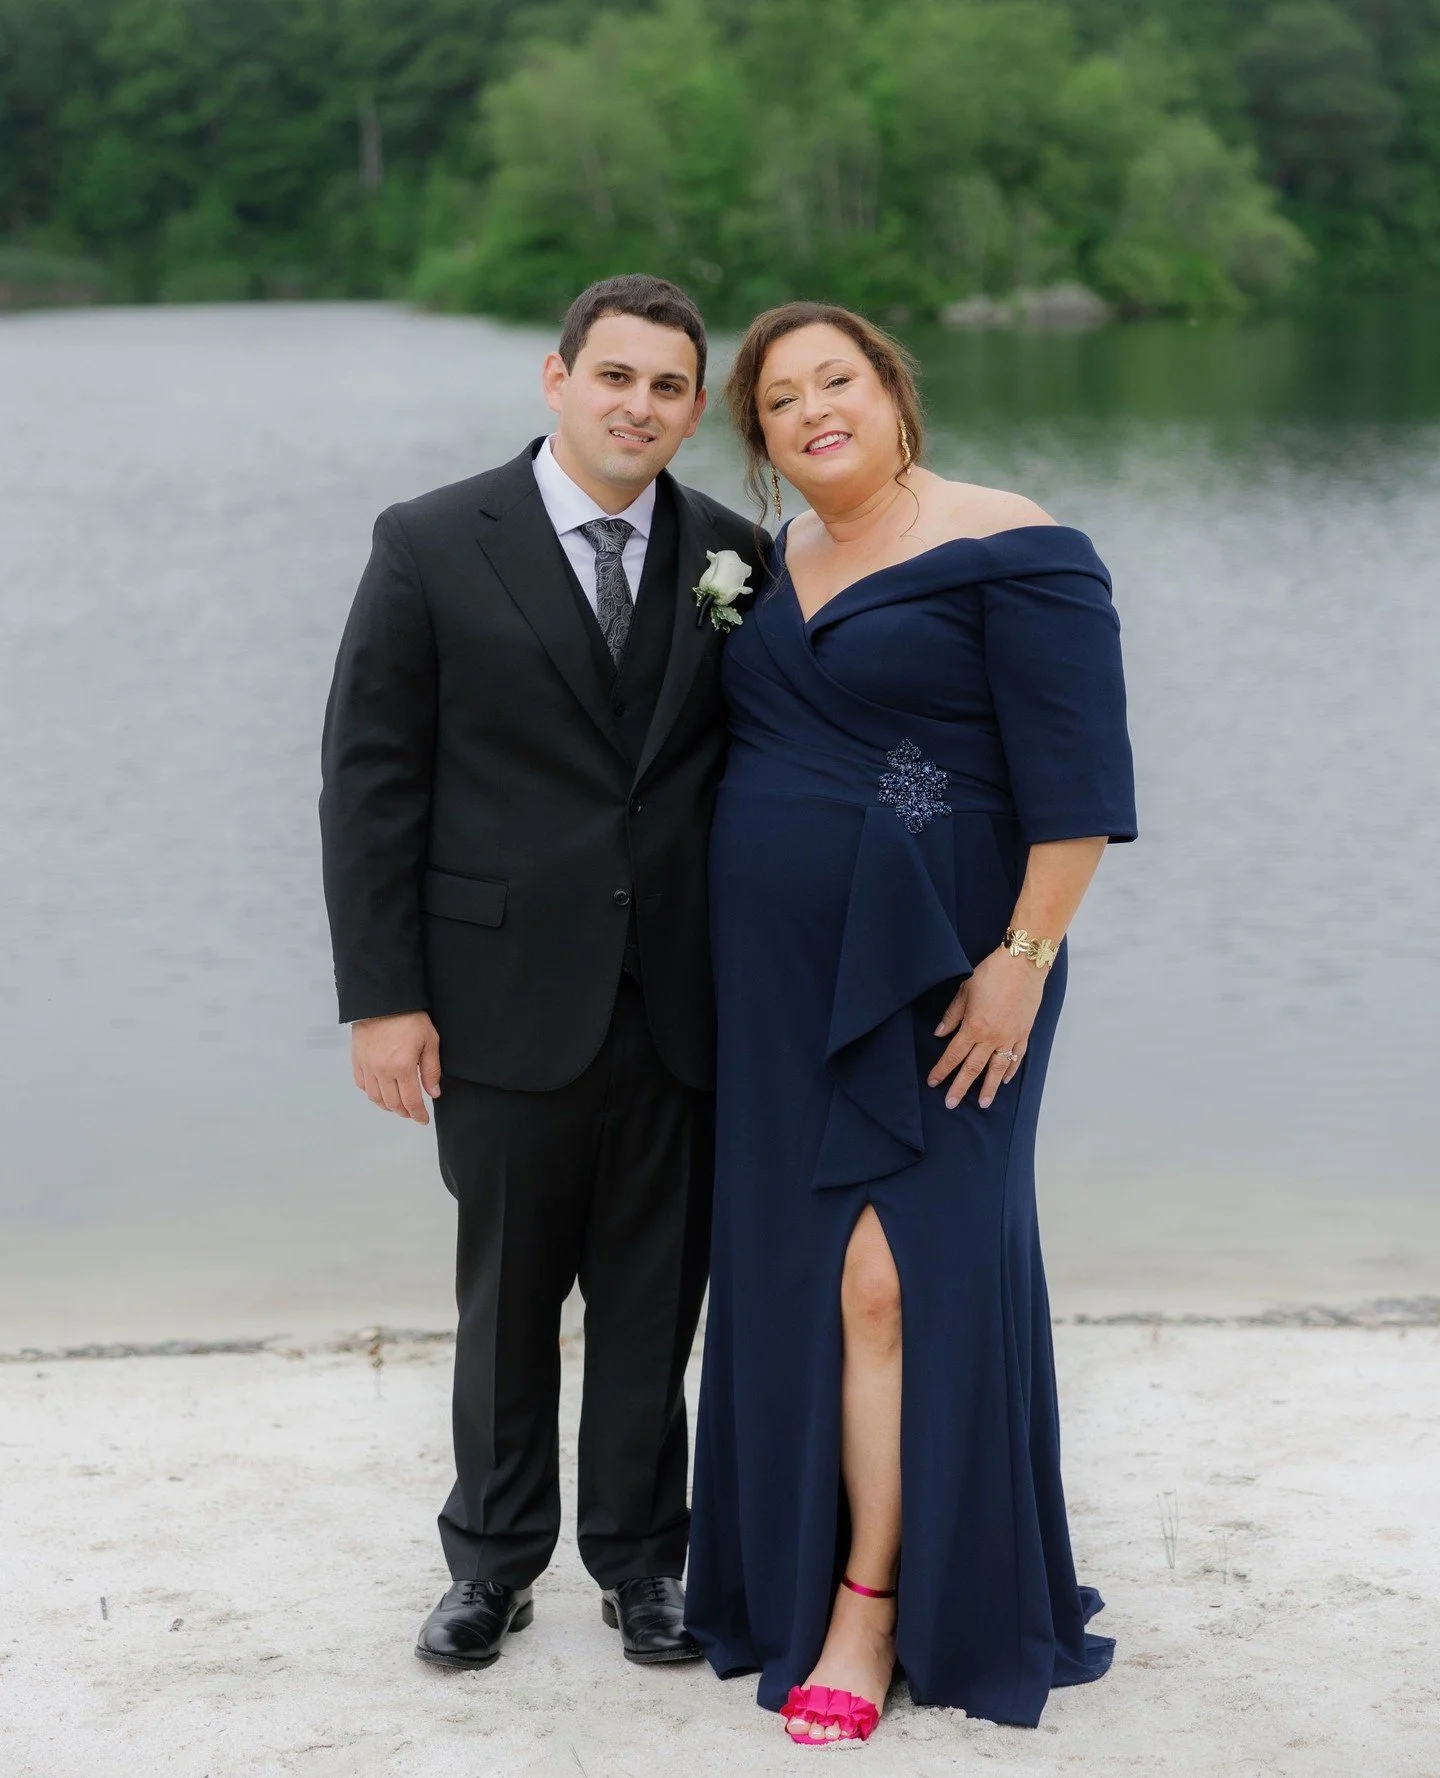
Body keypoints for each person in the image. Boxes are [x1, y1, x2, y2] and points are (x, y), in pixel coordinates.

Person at [684, 302, 1137, 1746]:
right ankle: (801, 1562)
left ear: (893, 393)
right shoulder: (764, 570)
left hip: (955, 978)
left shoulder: (1013, 541)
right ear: (756, 439)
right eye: (780, 399)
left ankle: (870, 1605)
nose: (815, 409)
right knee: (806, 1277)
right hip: (776, 991)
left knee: (896, 1276)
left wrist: (1019, 958)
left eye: (840, 380)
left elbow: (1076, 794)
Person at [319, 275, 765, 1673]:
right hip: (500, 997)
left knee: (654, 1298)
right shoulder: (435, 540)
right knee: (506, 1297)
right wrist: (383, 996)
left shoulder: (739, 551)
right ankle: (493, 1563)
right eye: (617, 375)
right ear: (558, 378)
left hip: (685, 1000)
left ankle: (642, 1566)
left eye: (671, 386)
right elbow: (370, 780)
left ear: (696, 409)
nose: (642, 405)